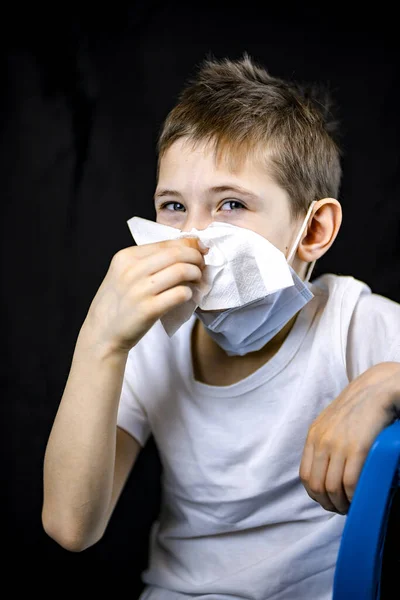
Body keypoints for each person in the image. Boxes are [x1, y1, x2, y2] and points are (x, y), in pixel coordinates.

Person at [42, 54, 400, 599]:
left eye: (231, 204)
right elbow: (71, 526)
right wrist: (101, 340)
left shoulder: (353, 323)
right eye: (173, 206)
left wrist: (387, 380)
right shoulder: (148, 340)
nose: (192, 237)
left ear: (313, 229)